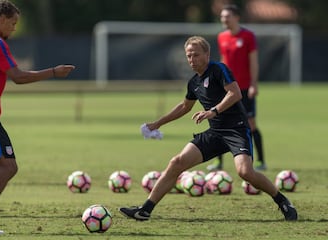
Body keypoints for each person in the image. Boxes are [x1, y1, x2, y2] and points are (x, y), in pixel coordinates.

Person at [119, 36, 297, 222]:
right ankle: (145, 210)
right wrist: (158, 123)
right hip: (215, 133)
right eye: (188, 56)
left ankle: (282, 201)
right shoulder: (194, 83)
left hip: (236, 130)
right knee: (177, 162)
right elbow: (184, 107)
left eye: (196, 55)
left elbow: (235, 93)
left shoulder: (219, 69)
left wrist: (214, 110)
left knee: (245, 172)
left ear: (207, 54)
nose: (191, 60)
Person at [0, 0, 75, 236]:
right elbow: (19, 77)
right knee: (8, 167)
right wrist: (54, 72)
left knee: (6, 166)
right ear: (3, 19)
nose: (14, 28)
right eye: (13, 23)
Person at [207, 4, 266, 171]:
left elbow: (253, 61)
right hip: (227, 89)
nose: (224, 19)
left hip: (245, 88)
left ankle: (261, 161)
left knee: (250, 123)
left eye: (227, 16)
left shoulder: (248, 36)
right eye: (222, 17)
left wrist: (254, 84)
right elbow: (224, 61)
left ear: (236, 17)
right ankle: (218, 162)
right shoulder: (222, 37)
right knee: (219, 121)